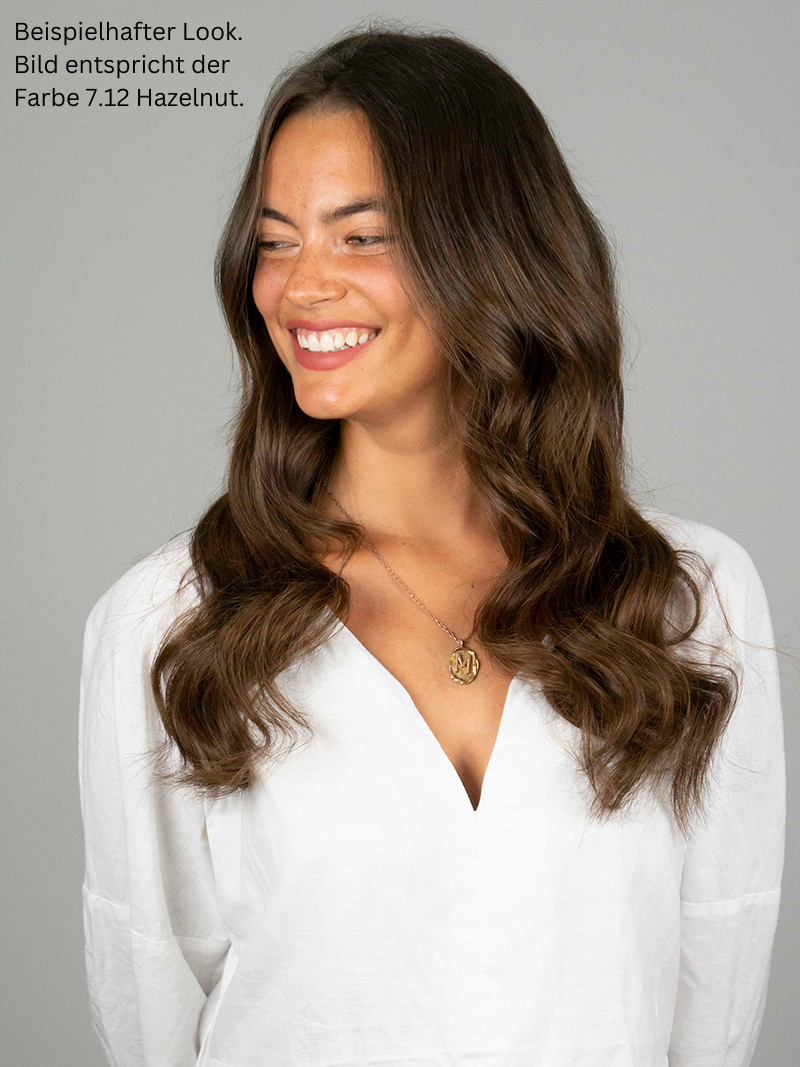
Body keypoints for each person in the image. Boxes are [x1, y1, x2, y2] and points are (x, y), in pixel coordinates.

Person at [78, 22, 786, 1067]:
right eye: (275, 240)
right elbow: (147, 999)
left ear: (492, 250)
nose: (300, 286)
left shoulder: (689, 604)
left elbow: (712, 992)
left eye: (361, 235)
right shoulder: (169, 622)